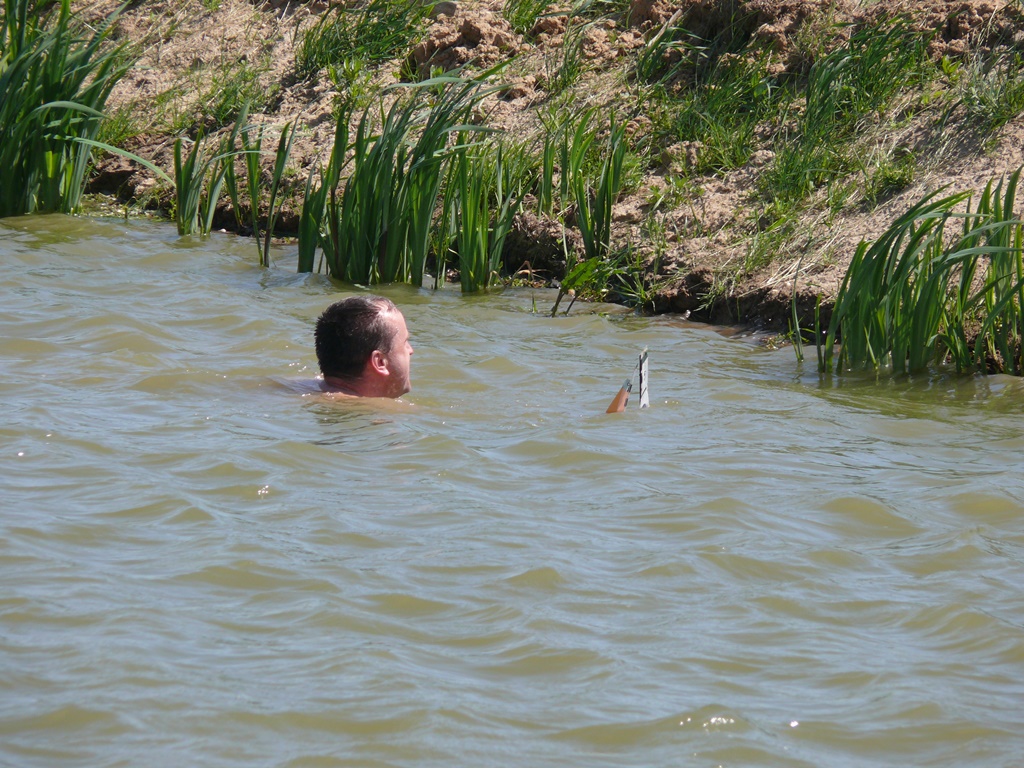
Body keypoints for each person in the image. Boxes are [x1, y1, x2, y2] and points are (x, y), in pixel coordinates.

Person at [314, 295, 414, 399]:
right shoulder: (375, 407)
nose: (410, 350)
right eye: (405, 342)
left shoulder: (307, 389)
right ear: (380, 362)